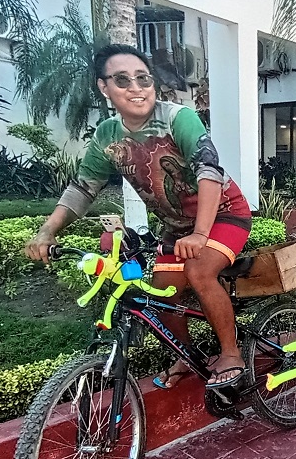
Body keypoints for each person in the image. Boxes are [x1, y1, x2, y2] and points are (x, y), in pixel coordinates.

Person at [24, 44, 253, 390]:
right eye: (122, 80)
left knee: (199, 270)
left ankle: (231, 354)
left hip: (224, 214)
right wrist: (47, 231)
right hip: (177, 227)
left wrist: (201, 234)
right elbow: (83, 188)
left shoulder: (178, 118)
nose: (136, 88)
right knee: (159, 292)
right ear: (104, 87)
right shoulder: (107, 136)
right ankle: (186, 356)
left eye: (143, 79)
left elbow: (209, 171)